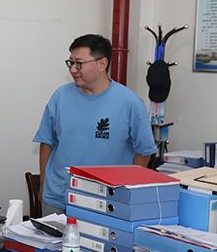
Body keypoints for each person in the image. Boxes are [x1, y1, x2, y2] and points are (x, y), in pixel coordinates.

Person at [34, 34, 157, 215]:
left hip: (106, 202)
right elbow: (47, 141)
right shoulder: (60, 96)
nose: (73, 69)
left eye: (79, 63)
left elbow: (144, 150)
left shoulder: (129, 102)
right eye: (70, 63)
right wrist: (44, 182)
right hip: (59, 198)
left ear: (102, 64)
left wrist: (128, 189)